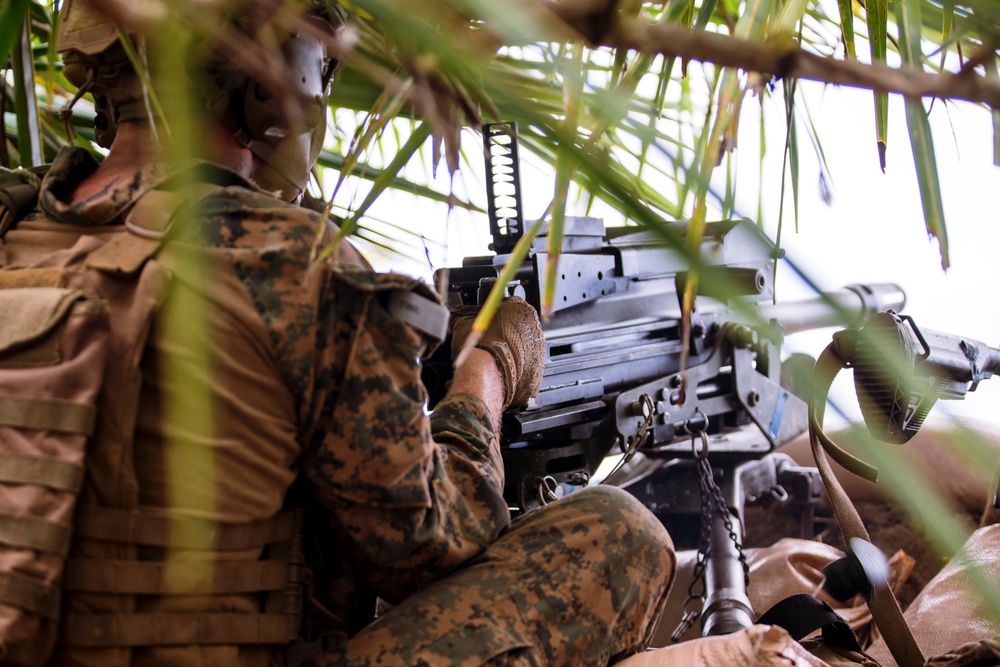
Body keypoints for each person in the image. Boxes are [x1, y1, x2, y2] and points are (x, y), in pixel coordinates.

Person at [0, 1, 676, 666]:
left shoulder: (17, 236)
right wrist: (488, 368)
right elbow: (429, 544)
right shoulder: (293, 264)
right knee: (619, 534)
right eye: (321, 64)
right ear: (274, 79)